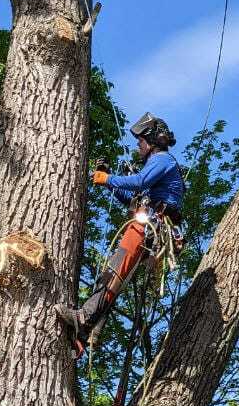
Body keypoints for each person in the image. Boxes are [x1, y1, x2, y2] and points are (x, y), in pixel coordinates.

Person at [55, 113, 185, 356]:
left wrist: (109, 178)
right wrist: (108, 183)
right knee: (115, 277)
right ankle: (88, 331)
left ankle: (85, 317)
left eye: (140, 142)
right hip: (150, 224)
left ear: (152, 141)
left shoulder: (162, 159)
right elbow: (132, 198)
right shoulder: (155, 167)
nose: (138, 147)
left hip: (151, 227)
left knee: (115, 269)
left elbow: (138, 182)